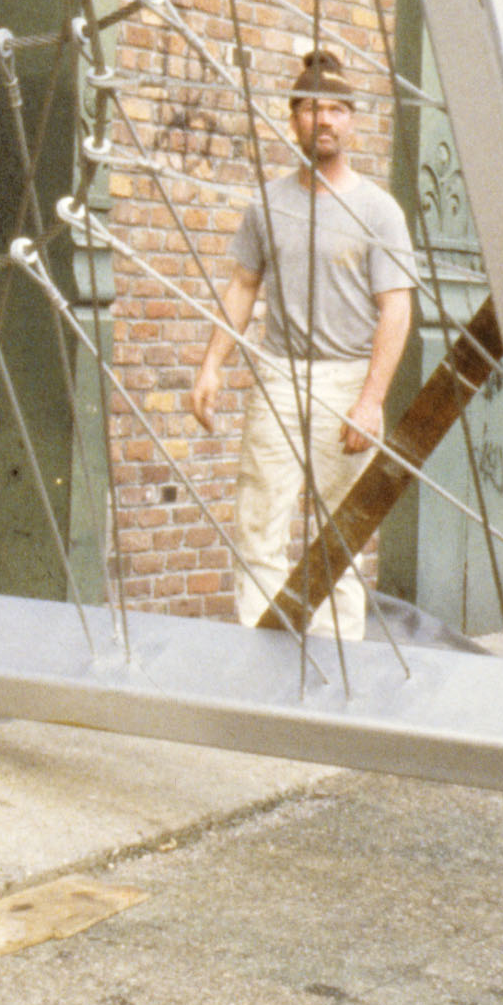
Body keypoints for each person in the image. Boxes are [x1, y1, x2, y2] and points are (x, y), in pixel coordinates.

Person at [188, 47, 416, 639]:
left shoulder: (378, 210)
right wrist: (211, 365)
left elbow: (396, 309)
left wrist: (371, 400)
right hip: (278, 379)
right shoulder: (267, 204)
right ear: (294, 119)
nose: (326, 120)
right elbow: (242, 285)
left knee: (342, 534)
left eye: (338, 110)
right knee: (260, 522)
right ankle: (258, 661)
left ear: (352, 122)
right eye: (313, 108)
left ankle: (342, 665)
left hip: (347, 383)